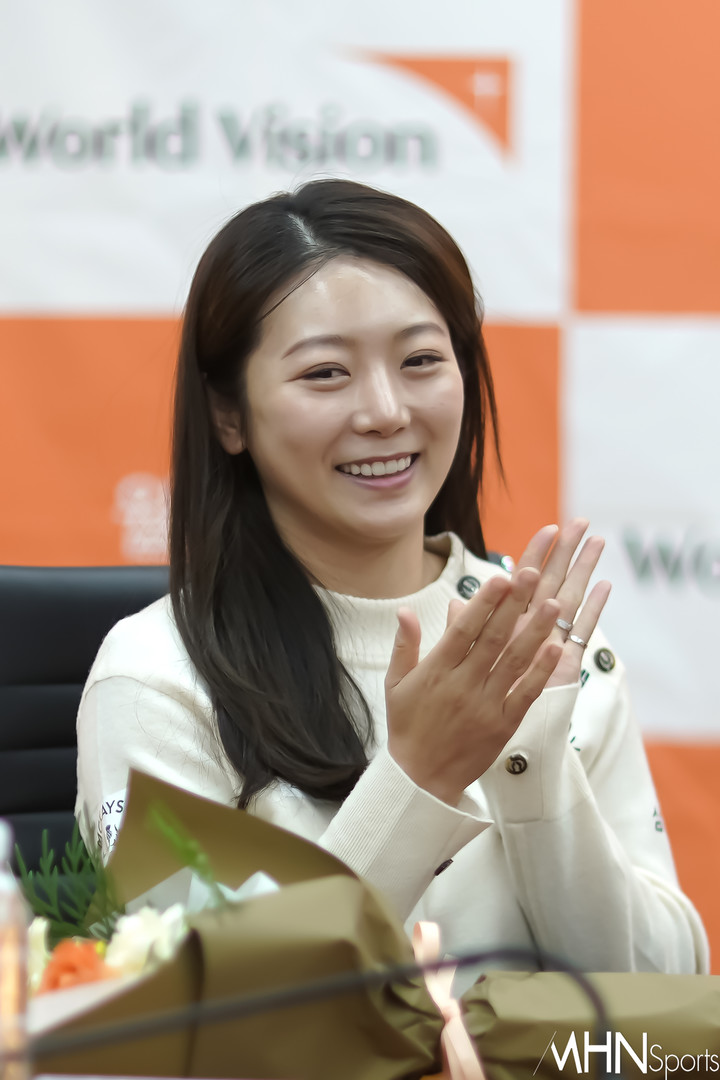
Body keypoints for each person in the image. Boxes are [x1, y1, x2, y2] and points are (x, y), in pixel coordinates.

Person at [75, 179, 709, 981]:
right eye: (325, 374)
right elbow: (205, 1014)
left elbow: (658, 1000)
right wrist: (417, 779)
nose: (384, 411)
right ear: (228, 414)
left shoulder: (540, 642)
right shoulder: (157, 680)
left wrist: (534, 771)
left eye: (420, 362)